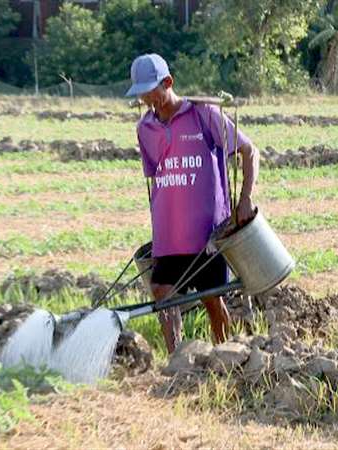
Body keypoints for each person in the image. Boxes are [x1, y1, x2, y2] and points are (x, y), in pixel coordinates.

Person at [126, 53, 260, 354]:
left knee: (212, 299)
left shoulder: (204, 115)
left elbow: (249, 151)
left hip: (206, 234)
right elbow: (157, 176)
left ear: (168, 82)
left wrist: (245, 198)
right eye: (141, 94)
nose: (148, 100)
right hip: (169, 232)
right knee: (162, 294)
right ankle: (178, 358)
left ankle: (224, 354)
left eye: (151, 92)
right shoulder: (144, 128)